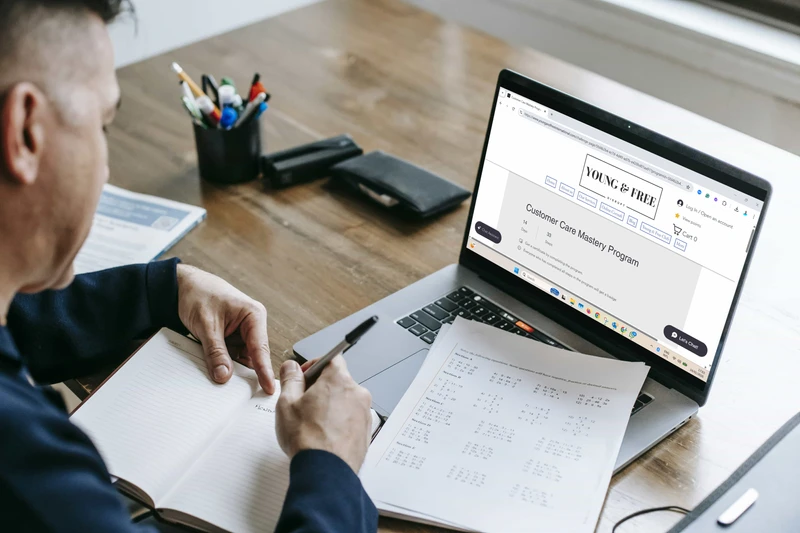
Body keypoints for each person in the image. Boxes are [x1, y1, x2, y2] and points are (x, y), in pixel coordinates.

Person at [0, 1, 377, 531]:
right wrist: (332, 469)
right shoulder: (27, 474)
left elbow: (16, 320)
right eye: (103, 126)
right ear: (26, 132)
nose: (105, 165)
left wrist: (162, 289)